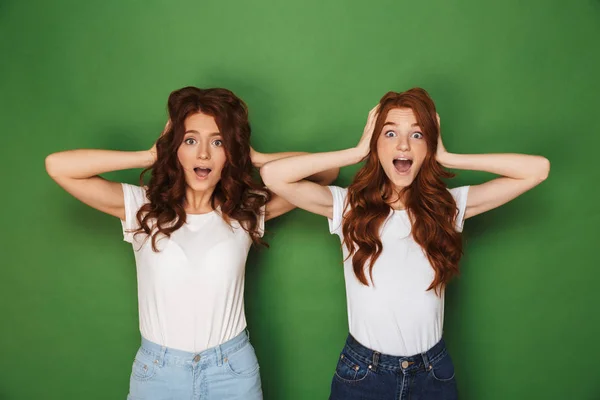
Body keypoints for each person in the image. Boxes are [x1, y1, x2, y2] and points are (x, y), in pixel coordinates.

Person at [45, 86, 338, 399]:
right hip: (158, 373)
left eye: (218, 141)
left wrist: (256, 158)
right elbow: (58, 166)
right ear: (176, 150)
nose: (203, 154)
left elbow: (326, 172)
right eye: (190, 140)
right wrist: (149, 155)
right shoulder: (143, 208)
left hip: (232, 372)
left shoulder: (245, 210)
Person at [260, 88, 550, 400]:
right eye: (390, 134)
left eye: (417, 135)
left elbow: (537, 170)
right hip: (362, 374)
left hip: (432, 374)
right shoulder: (348, 208)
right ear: (376, 145)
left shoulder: (448, 208)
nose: (402, 145)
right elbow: (273, 175)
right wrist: (356, 152)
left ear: (429, 146)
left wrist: (449, 157)